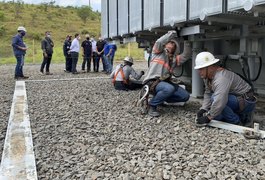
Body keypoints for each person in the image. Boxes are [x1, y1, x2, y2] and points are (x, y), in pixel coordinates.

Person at [194, 52, 257, 126]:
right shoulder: (207, 77)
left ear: (210, 67)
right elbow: (208, 92)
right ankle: (241, 116)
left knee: (215, 100)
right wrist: (203, 108)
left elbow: (219, 101)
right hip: (236, 98)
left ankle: (237, 121)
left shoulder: (221, 78)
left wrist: (208, 117)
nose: (199, 72)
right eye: (198, 69)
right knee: (217, 116)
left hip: (246, 102)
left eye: (201, 69)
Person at [143, 30, 192, 117]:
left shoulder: (174, 59)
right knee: (169, 89)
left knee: (185, 96)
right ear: (165, 44)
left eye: (174, 44)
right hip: (152, 82)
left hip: (164, 83)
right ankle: (152, 105)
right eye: (170, 42)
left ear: (175, 49)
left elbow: (186, 55)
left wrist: (186, 40)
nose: (172, 44)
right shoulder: (157, 52)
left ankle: (160, 99)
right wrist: (172, 33)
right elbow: (159, 42)